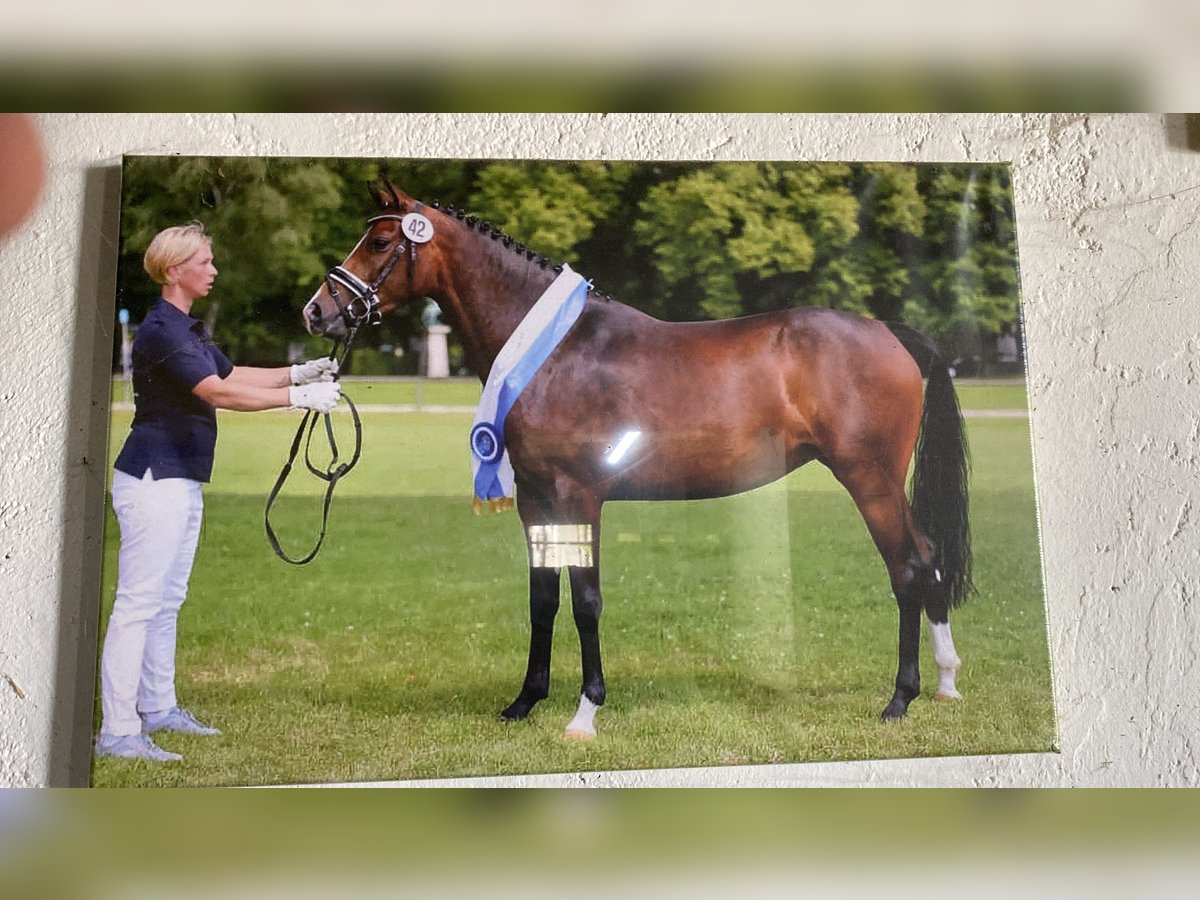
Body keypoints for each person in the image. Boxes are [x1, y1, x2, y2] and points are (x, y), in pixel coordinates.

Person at [95, 221, 341, 763]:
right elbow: (218, 392)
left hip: (179, 477)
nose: (213, 269)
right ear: (176, 268)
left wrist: (300, 371)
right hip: (154, 478)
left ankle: (156, 708)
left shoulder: (189, 328)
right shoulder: (161, 329)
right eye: (205, 261)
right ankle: (117, 730)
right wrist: (300, 398)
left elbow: (235, 372)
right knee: (139, 605)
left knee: (166, 603)